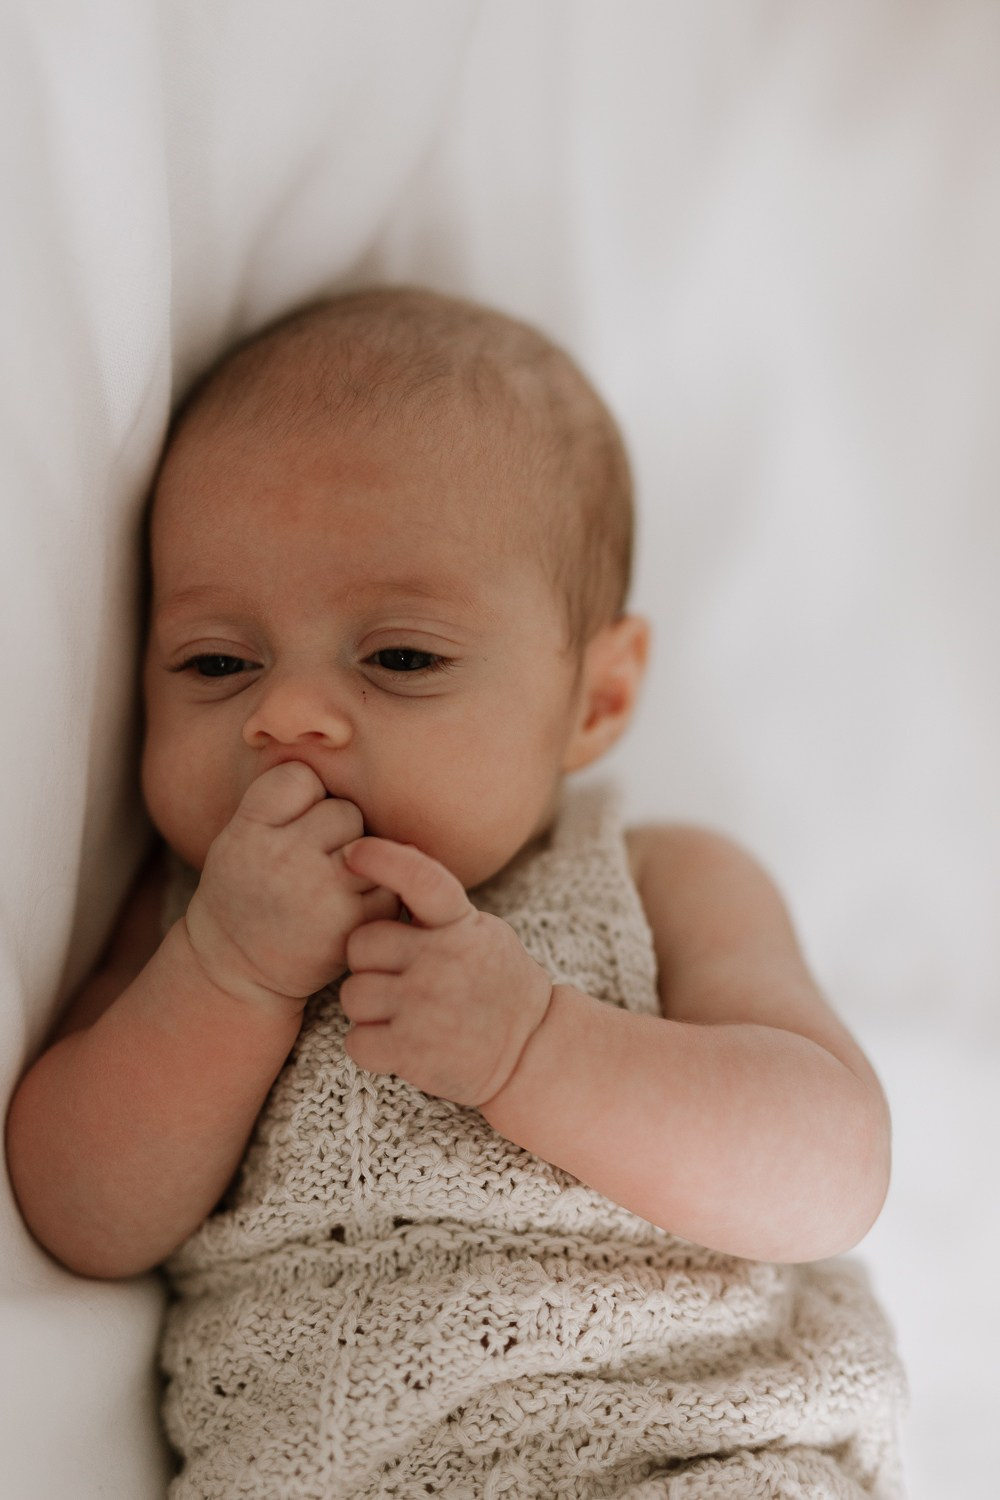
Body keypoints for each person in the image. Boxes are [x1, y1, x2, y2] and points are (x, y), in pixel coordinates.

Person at [6, 287, 904, 1497]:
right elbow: (77, 1211)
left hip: (689, 1452)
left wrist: (534, 1047)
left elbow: (828, 1174)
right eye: (218, 663)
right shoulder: (187, 922)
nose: (287, 718)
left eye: (400, 658)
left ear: (592, 700)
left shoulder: (661, 884)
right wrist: (227, 972)